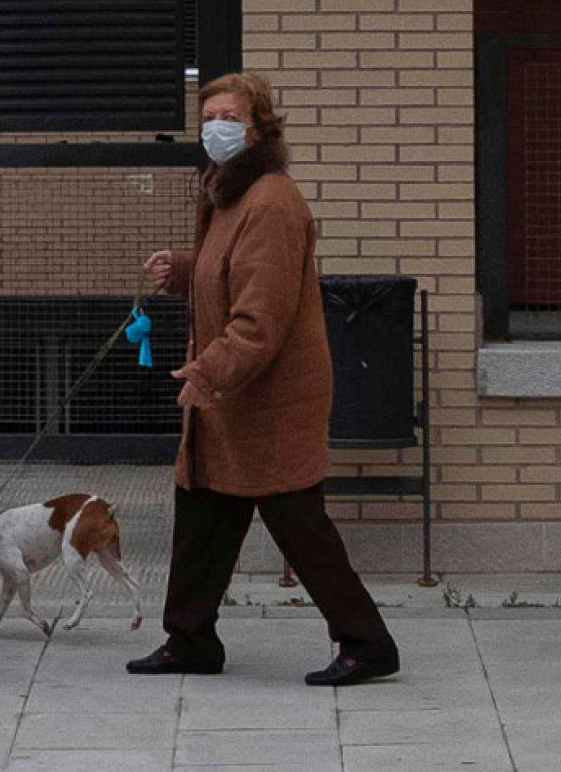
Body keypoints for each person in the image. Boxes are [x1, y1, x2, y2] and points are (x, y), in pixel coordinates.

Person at [127, 72, 401, 687]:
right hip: (234, 399)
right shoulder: (233, 194)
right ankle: (189, 638)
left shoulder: (272, 200)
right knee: (201, 509)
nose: (214, 127)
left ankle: (367, 642)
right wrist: (186, 269)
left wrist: (206, 371)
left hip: (266, 400)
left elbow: (261, 318)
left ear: (259, 129)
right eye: (208, 116)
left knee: (300, 526)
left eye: (228, 116)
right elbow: (236, 271)